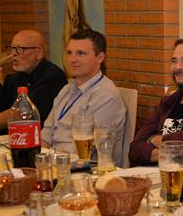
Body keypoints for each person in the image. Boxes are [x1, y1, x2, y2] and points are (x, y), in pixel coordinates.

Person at [128, 37, 183, 180]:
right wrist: (178, 146)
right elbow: (134, 149)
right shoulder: (168, 102)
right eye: (174, 61)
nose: (178, 67)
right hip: (153, 173)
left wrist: (153, 140)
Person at [42, 29, 126, 166]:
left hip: (85, 169)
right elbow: (46, 133)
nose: (72, 59)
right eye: (69, 53)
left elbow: (92, 152)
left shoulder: (106, 96)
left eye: (80, 53)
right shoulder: (66, 90)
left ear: (100, 57)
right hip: (54, 162)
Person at [0, 29, 67, 133]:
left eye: (20, 49)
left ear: (39, 53)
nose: (13, 54)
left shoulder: (52, 76)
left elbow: (23, 112)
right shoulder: (15, 78)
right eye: (12, 48)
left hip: (40, 141)